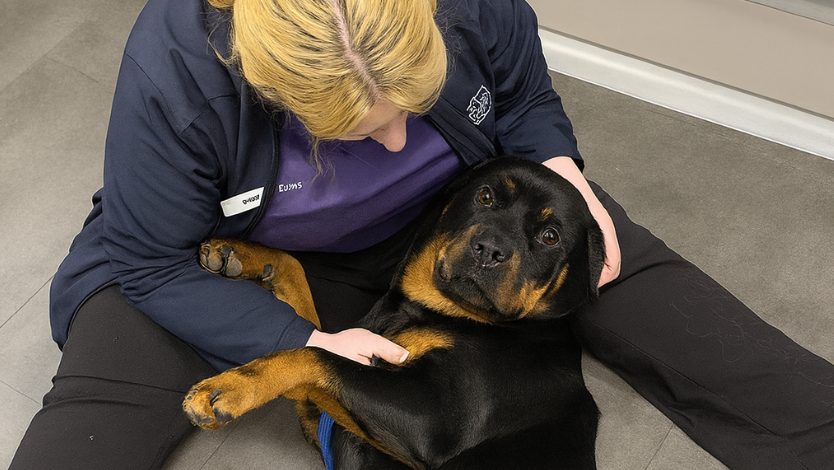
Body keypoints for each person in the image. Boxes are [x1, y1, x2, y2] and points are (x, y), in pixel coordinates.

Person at [10, 0, 834, 468]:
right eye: (363, 130)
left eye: (414, 103)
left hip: (460, 223)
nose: (400, 141)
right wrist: (298, 337)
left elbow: (523, 100)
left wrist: (561, 165)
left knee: (728, 352)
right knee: (89, 432)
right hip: (229, 259)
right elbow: (151, 264)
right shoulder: (176, 75)